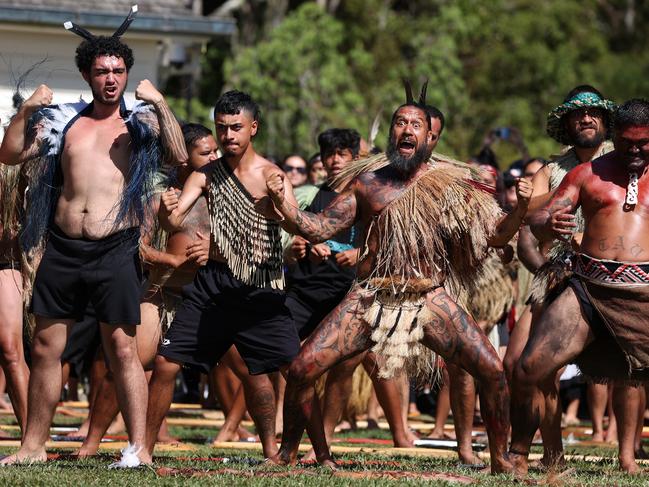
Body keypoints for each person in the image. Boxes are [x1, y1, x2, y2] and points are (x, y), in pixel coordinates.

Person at [266, 82, 532, 473]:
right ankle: (290, 453)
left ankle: (499, 459)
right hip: (371, 297)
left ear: (430, 136)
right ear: (392, 133)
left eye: (415, 125)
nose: (406, 129)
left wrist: (522, 205)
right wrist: (284, 204)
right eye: (399, 123)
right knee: (303, 369)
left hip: (429, 297)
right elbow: (320, 227)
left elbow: (495, 235)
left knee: (492, 371)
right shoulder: (368, 182)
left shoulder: (452, 184)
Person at [0, 7, 187, 466]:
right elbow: (8, 155)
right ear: (87, 73)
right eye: (102, 71)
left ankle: (139, 449)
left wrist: (161, 102)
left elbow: (180, 155)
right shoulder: (63, 119)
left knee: (123, 346)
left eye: (118, 71)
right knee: (45, 346)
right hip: (63, 246)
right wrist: (26, 110)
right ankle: (33, 447)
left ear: (128, 74)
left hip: (115, 247)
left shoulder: (140, 121)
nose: (111, 79)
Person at [143, 90, 312, 464]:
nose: (228, 135)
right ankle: (143, 452)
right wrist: (166, 212)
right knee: (167, 363)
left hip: (260, 289)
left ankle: (294, 452)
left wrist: (279, 204)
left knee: (292, 371)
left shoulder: (272, 174)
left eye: (236, 127)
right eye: (222, 128)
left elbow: (297, 223)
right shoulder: (205, 175)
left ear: (253, 128)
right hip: (213, 287)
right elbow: (174, 219)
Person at [511, 98, 649, 475]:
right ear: (615, 138)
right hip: (587, 288)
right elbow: (541, 216)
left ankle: (628, 456)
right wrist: (547, 224)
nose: (634, 150)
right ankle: (518, 454)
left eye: (643, 143)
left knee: (633, 381)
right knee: (528, 368)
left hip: (645, 296)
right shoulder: (587, 173)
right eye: (627, 143)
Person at [504, 86, 616, 467]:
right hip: (558, 275)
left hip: (611, 275)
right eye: (578, 114)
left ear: (605, 121)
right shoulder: (549, 172)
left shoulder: (622, 163)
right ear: (567, 123)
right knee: (516, 363)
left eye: (594, 113)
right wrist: (533, 208)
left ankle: (628, 455)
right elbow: (531, 216)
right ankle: (552, 454)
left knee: (633, 370)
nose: (586, 118)